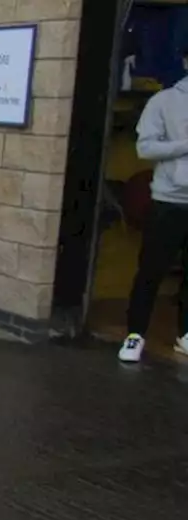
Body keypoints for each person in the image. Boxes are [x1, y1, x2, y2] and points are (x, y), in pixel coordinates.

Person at [118, 51, 188, 363]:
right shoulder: (164, 101)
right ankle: (135, 335)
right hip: (169, 200)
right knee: (151, 271)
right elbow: (145, 147)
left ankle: (185, 335)